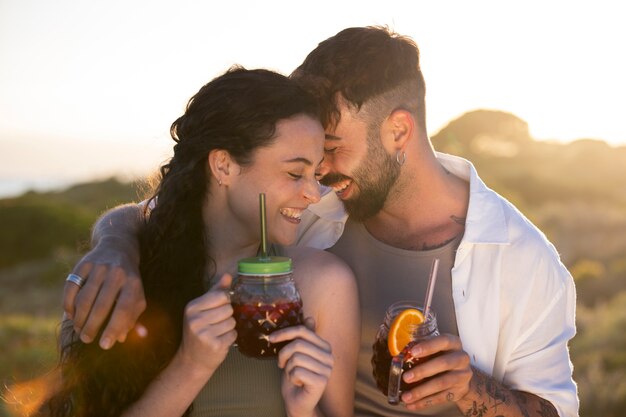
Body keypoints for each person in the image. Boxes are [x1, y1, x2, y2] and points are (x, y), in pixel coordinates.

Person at [63, 27, 578, 417]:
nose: (320, 176)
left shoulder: (521, 259)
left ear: (399, 131)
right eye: (306, 161)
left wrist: (469, 388)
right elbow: (173, 213)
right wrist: (114, 247)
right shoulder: (316, 205)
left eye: (330, 149)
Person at [50, 67, 359, 417]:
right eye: (293, 173)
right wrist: (191, 367)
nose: (312, 194)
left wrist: (304, 412)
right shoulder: (119, 275)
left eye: (314, 173)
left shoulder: (321, 284)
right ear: (223, 165)